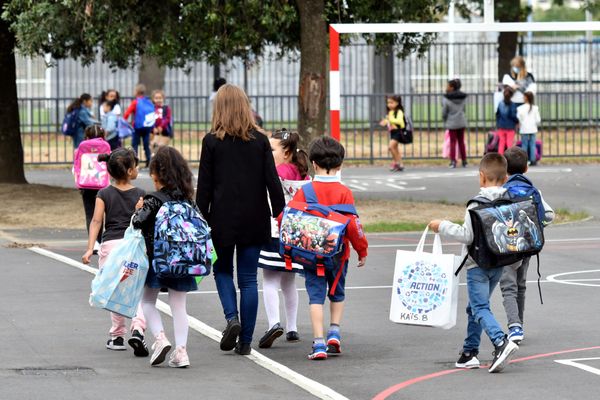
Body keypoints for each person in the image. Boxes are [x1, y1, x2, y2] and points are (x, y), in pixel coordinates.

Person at [196, 84, 286, 356]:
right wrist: (279, 212)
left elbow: (205, 186)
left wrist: (202, 218)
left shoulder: (211, 141)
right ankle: (245, 341)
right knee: (248, 280)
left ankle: (231, 318)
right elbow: (273, 181)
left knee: (222, 271)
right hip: (254, 217)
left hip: (221, 218)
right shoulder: (259, 141)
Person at [429, 153, 518, 373]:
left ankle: (500, 341)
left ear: (481, 176)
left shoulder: (476, 205)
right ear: (505, 178)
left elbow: (467, 235)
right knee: (475, 308)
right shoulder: (509, 202)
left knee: (479, 307)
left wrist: (442, 225)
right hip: (498, 262)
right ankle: (470, 352)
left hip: (476, 264)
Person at [282, 136, 368, 361]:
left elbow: (286, 216)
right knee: (337, 293)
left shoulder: (306, 191)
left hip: (312, 255)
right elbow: (354, 226)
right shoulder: (344, 192)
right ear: (340, 165)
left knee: (315, 297)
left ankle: (318, 343)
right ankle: (335, 332)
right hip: (339, 254)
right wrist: (362, 250)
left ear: (313, 163)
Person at [132, 146, 198, 368]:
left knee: (148, 301)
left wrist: (137, 209)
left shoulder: (153, 199)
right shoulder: (187, 200)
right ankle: (182, 352)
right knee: (179, 306)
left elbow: (137, 222)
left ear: (156, 174)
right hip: (183, 260)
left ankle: (160, 339)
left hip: (157, 260)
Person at [81, 148, 148, 356]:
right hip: (133, 248)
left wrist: (90, 247)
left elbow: (96, 221)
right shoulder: (140, 195)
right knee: (136, 290)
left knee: (114, 291)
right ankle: (137, 328)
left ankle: (117, 336)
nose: (137, 169)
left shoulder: (103, 193)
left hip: (110, 247)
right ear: (129, 171)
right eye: (135, 166)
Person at [257, 129, 310, 349]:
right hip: (295, 233)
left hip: (274, 230)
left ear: (286, 152)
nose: (267, 152)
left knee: (269, 280)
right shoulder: (304, 175)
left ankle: (273, 323)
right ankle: (292, 327)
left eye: (271, 149)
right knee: (289, 281)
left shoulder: (275, 171)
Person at [499, 147, 554, 344]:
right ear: (526, 168)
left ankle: (514, 326)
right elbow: (549, 215)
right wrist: (537, 228)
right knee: (521, 284)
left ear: (505, 169)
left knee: (508, 285)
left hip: (508, 245)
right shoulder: (534, 190)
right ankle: (519, 324)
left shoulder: (502, 190)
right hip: (529, 244)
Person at [74, 125, 109, 253]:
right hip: (101, 184)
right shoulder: (105, 145)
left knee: (90, 214)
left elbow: (77, 166)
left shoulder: (82, 146)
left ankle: (93, 243)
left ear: (87, 136)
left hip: (86, 183)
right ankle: (100, 241)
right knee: (101, 214)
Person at [123, 84, 154, 167]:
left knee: (135, 145)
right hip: (147, 127)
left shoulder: (135, 102)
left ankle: (135, 162)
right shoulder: (148, 102)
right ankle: (149, 161)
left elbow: (127, 113)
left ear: (136, 92)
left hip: (137, 127)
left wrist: (123, 121)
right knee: (146, 145)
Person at [442, 78, 468, 168]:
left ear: (452, 87)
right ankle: (464, 161)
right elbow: (464, 109)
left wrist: (445, 120)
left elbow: (444, 111)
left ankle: (453, 161)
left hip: (451, 122)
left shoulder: (446, 98)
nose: (446, 87)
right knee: (461, 142)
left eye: (448, 86)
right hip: (461, 121)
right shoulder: (463, 97)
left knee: (452, 142)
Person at [379, 95, 406, 172]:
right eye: (388, 103)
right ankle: (400, 164)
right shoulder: (390, 112)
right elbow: (388, 121)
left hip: (398, 132)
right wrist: (385, 122)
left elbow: (401, 122)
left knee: (391, 147)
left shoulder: (399, 112)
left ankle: (397, 163)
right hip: (392, 132)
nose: (389, 104)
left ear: (397, 103)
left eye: (391, 102)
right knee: (395, 149)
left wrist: (389, 120)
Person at [516, 92, 541, 166]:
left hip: (524, 129)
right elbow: (538, 120)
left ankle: (525, 161)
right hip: (533, 128)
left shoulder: (520, 108)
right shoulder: (535, 108)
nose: (523, 98)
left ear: (526, 97)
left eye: (524, 96)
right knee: (532, 144)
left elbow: (519, 119)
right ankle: (533, 160)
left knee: (524, 145)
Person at [496, 87, 519, 155]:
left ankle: (500, 157)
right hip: (510, 126)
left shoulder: (500, 103)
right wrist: (517, 121)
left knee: (501, 143)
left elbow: (497, 114)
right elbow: (513, 115)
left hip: (501, 126)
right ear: (512, 95)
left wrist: (498, 123)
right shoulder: (513, 104)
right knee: (509, 143)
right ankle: (510, 158)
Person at [149, 90, 173, 156]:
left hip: (164, 132)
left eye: (160, 98)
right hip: (153, 132)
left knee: (162, 149)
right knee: (153, 147)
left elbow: (167, 118)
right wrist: (153, 127)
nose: (158, 100)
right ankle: (153, 161)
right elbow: (150, 118)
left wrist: (161, 126)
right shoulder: (151, 108)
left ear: (163, 98)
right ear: (153, 99)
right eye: (156, 98)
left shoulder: (166, 108)